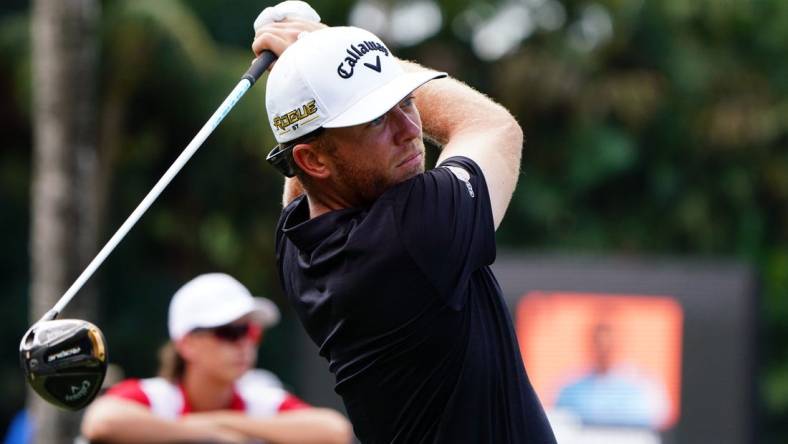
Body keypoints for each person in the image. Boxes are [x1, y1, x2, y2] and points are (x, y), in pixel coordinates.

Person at [252, 12, 557, 444]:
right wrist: (321, 42)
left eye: (407, 101)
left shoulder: (298, 243)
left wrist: (312, 66)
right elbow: (494, 127)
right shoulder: (412, 234)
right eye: (376, 119)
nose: (411, 130)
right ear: (315, 161)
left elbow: (302, 172)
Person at [80, 273, 352, 444]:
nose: (245, 343)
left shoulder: (261, 399)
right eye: (230, 332)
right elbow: (101, 422)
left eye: (251, 331)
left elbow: (335, 431)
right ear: (187, 344)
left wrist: (219, 422)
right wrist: (211, 436)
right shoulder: (156, 397)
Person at [555, 318, 669, 429]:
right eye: (599, 344)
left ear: (619, 344)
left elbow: (659, 420)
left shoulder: (645, 386)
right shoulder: (571, 388)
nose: (604, 351)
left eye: (609, 345)